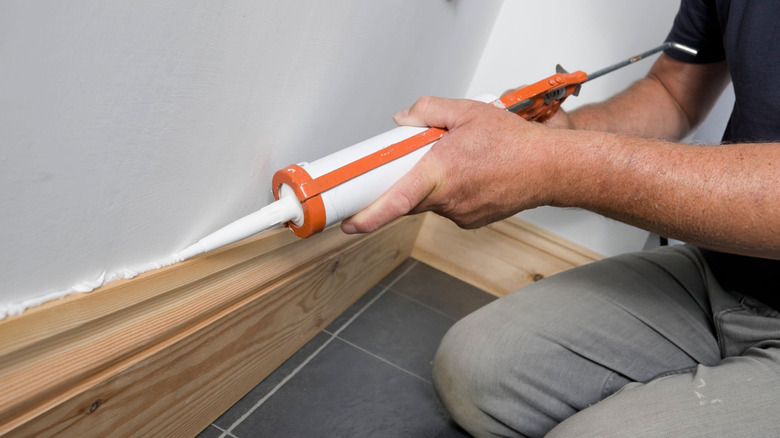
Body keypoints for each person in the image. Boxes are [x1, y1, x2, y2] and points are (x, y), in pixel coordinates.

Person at [342, 0, 780, 437]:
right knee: (477, 366)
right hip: (725, 272)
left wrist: (551, 165)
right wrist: (563, 131)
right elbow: (673, 93)